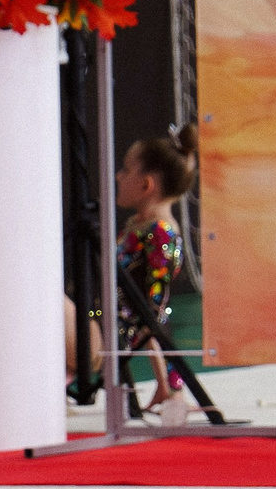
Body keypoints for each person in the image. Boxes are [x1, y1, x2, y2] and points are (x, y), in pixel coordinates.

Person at [66, 129, 196, 412]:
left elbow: (155, 313)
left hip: (104, 336)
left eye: (125, 170)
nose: (118, 176)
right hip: (98, 324)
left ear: (146, 185)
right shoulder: (139, 224)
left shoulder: (161, 233)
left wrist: (170, 386)